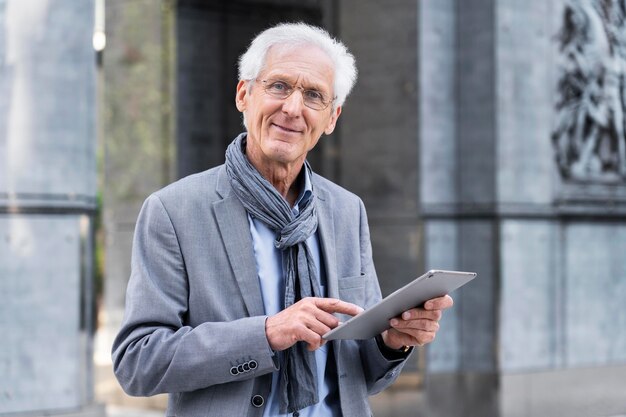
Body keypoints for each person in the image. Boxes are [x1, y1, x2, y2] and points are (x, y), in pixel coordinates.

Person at [112, 22, 453, 417]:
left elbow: (360, 374)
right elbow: (137, 363)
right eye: (278, 86)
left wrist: (393, 342)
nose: (292, 108)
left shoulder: (347, 211)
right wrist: (266, 334)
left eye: (313, 95)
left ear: (331, 118)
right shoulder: (173, 211)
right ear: (244, 95)